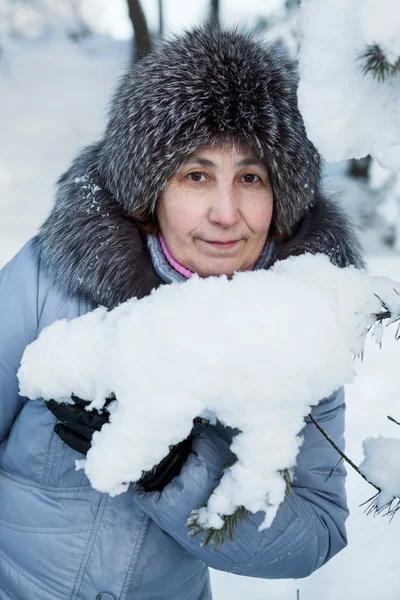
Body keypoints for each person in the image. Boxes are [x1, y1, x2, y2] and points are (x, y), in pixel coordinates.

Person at [0, 25, 364, 600]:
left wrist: (179, 474)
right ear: (152, 190)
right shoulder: (54, 277)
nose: (226, 212)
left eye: (251, 178)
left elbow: (316, 534)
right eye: (196, 175)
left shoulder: (302, 327)